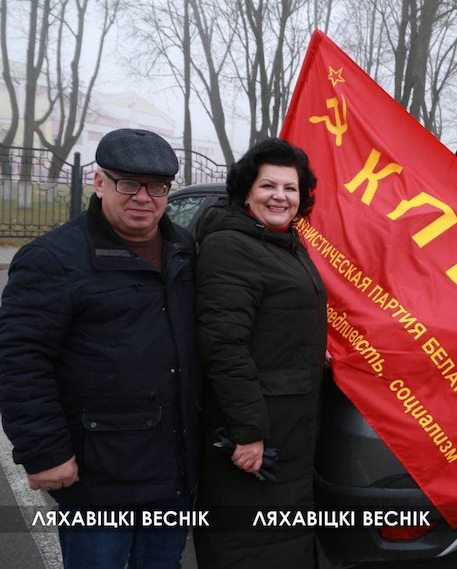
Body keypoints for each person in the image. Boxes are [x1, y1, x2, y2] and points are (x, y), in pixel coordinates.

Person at [0, 128, 200, 567]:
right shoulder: (53, 258)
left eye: (158, 187)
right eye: (128, 183)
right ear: (99, 182)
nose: (144, 197)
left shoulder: (183, 250)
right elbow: (20, 363)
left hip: (172, 471)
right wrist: (45, 453)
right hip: (99, 475)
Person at [193, 138, 327, 568]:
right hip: (257, 434)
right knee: (250, 545)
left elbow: (277, 324)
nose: (279, 196)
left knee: (280, 539)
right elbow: (224, 347)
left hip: (288, 425)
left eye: (290, 188)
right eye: (268, 185)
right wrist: (248, 433)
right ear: (246, 191)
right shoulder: (231, 247)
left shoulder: (281, 241)